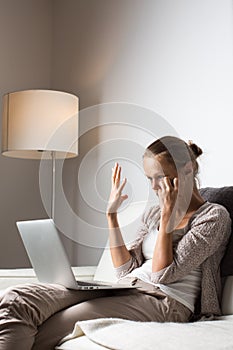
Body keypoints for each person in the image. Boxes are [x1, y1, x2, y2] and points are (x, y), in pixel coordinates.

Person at [0, 136, 231, 350]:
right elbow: (125, 270)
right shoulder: (153, 213)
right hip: (129, 287)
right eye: (149, 178)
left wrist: (167, 219)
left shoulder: (213, 216)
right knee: (16, 299)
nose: (154, 187)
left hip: (168, 301)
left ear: (187, 171)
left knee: (48, 329)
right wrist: (111, 216)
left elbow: (162, 275)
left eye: (160, 177)